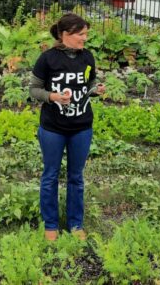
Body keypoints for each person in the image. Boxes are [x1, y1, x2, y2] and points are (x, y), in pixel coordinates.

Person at [28, 13, 105, 241]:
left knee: (76, 177)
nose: (85, 39)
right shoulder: (47, 59)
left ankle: (75, 224)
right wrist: (52, 96)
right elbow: (33, 90)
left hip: (82, 127)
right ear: (65, 35)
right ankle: (51, 225)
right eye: (81, 34)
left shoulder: (87, 57)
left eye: (86, 34)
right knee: (50, 176)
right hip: (53, 128)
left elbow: (90, 81)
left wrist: (96, 89)